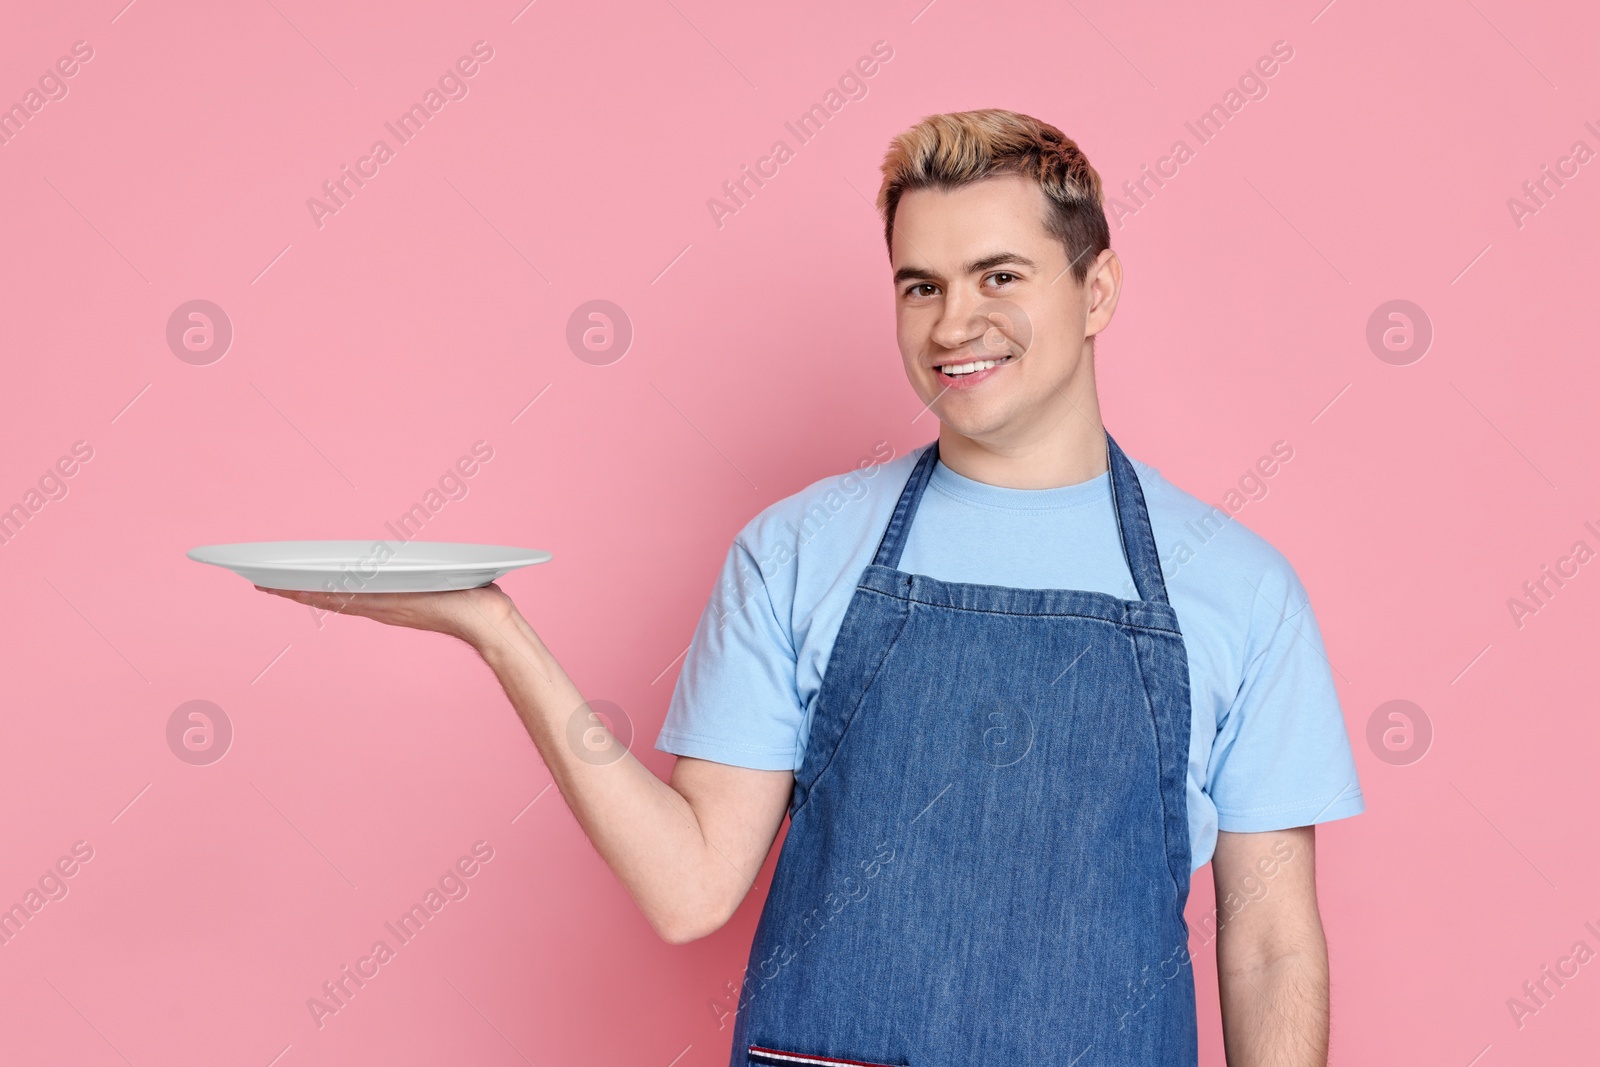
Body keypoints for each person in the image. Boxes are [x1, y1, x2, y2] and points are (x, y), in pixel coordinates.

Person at [265, 109, 1364, 1066]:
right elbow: (688, 886)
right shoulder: (797, 549)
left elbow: (1268, 939)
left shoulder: (1236, 586)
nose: (951, 324)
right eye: (919, 284)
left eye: (999, 276)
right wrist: (495, 629)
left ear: (1097, 288)